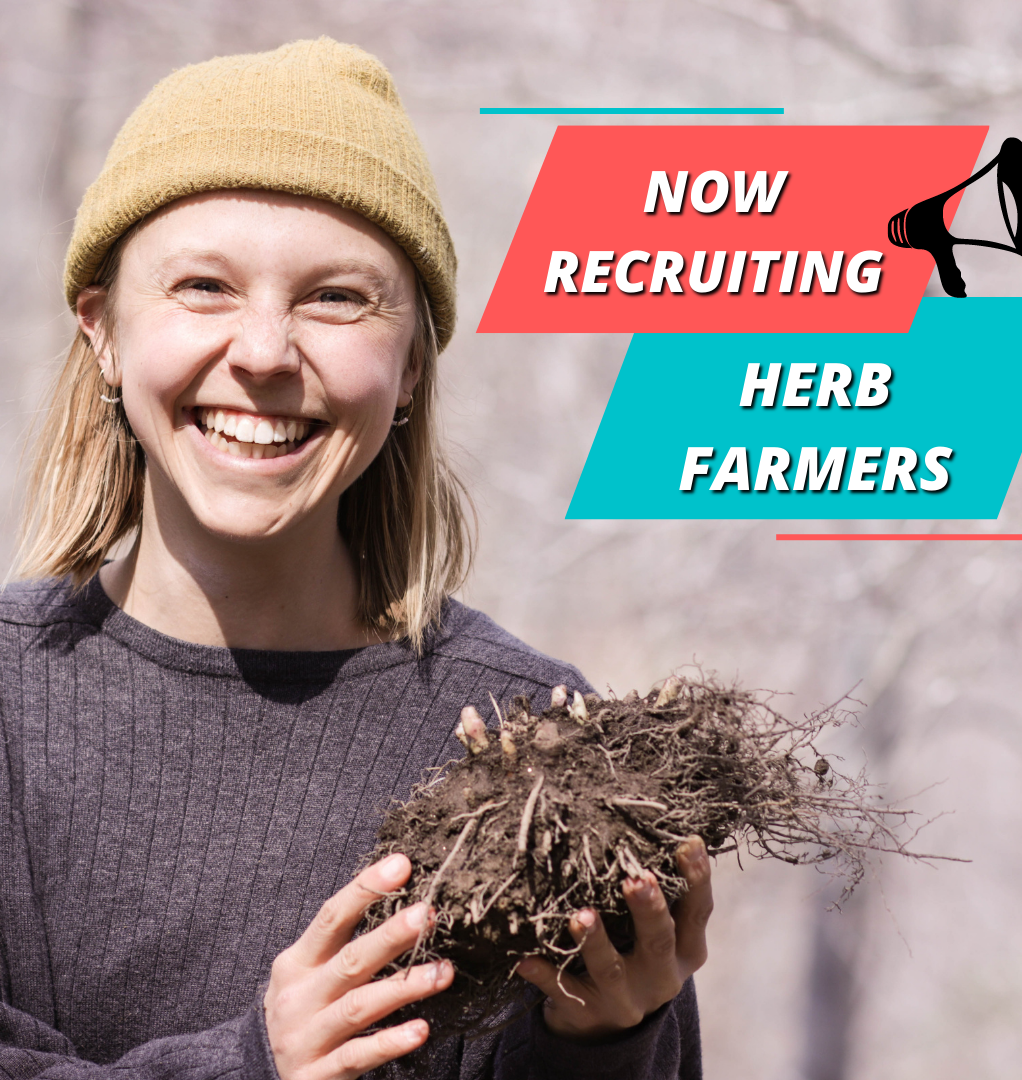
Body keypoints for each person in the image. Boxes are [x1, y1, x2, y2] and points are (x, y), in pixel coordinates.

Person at [0, 38, 711, 1080]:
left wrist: (601, 1041)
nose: (263, 352)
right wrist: (253, 1066)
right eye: (204, 286)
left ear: (412, 366)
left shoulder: (537, 742)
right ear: (102, 330)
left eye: (336, 298)